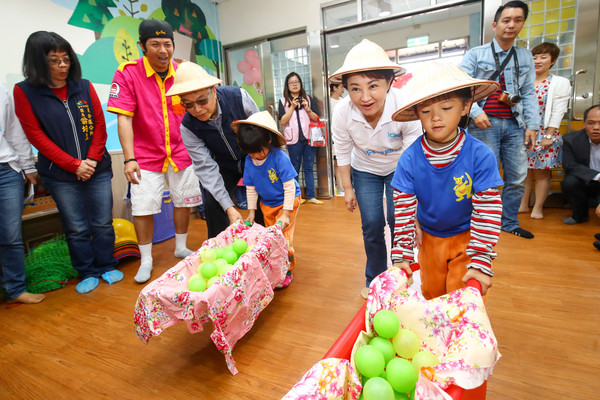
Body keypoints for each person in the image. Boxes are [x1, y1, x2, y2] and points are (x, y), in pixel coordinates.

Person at [14, 31, 121, 294]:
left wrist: (92, 160)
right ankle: (86, 271)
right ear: (38, 62)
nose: (63, 66)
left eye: (66, 59)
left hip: (96, 168)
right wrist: (73, 164)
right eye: (54, 60)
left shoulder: (83, 85)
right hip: (60, 174)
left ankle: (107, 265)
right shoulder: (24, 91)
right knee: (76, 227)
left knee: (103, 222)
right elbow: (36, 136)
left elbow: (98, 124)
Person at [390, 61, 502, 299]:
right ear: (417, 113)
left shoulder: (480, 155)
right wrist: (402, 256)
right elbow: (403, 210)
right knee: (431, 292)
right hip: (429, 239)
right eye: (426, 111)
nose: (436, 118)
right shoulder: (409, 159)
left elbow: (488, 209)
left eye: (447, 107)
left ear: (465, 107)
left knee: (461, 294)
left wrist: (481, 260)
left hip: (467, 236)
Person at [107, 19, 202, 283]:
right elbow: (124, 118)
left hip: (182, 151)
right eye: (155, 44)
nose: (163, 50)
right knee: (143, 207)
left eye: (167, 44)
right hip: (145, 155)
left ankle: (181, 246)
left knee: (184, 200)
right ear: (142, 46)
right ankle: (146, 259)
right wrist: (129, 158)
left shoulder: (183, 71)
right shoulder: (127, 73)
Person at [329, 39, 422, 299]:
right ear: (346, 89)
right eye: (355, 89)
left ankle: (400, 278)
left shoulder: (405, 106)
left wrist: (413, 200)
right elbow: (343, 151)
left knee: (398, 221)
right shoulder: (342, 113)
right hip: (364, 171)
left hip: (399, 170)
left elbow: (414, 154)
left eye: (373, 86)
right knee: (371, 225)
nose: (365, 97)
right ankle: (376, 280)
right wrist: (347, 189)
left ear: (389, 83)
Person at [460, 0, 538, 239]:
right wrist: (475, 112)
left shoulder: (524, 56)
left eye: (517, 20)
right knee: (485, 177)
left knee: (517, 177)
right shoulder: (475, 54)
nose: (511, 25)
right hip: (484, 123)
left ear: (523, 23)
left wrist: (533, 125)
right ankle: (482, 223)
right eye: (506, 20)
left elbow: (528, 93)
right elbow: (462, 88)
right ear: (495, 25)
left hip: (515, 124)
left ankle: (509, 222)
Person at [165, 61, 261, 238]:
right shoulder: (188, 127)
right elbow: (206, 169)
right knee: (213, 202)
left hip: (254, 160)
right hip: (223, 165)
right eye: (188, 104)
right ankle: (221, 252)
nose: (197, 109)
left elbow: (262, 133)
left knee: (264, 197)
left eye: (202, 100)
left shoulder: (238, 97)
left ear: (214, 90)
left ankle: (269, 249)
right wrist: (230, 208)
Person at [233, 111, 301, 288]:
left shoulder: (279, 157)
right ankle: (276, 267)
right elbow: (251, 187)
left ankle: (287, 270)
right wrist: (251, 213)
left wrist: (285, 214)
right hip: (267, 204)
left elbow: (289, 186)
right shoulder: (249, 161)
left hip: (288, 201)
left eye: (259, 151)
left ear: (268, 140)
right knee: (271, 238)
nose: (256, 156)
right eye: (251, 152)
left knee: (284, 238)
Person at [0, 83, 45, 304]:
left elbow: (13, 131)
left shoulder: (1, 89)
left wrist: (28, 166)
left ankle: (16, 289)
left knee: (11, 235)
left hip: (6, 169)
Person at [519, 42, 571, 219]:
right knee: (523, 172)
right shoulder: (523, 82)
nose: (538, 61)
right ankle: (523, 205)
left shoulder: (559, 82)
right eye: (534, 57)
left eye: (543, 57)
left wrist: (549, 135)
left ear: (553, 60)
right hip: (523, 133)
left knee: (542, 172)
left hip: (544, 132)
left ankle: (538, 207)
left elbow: (559, 110)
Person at [279, 72, 323, 205]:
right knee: (295, 167)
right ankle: (297, 197)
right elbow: (282, 121)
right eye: (291, 83)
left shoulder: (308, 99)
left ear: (300, 84)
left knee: (309, 167)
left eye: (296, 82)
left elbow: (316, 119)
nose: (294, 85)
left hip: (309, 138)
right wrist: (291, 107)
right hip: (293, 139)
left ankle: (311, 196)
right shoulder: (283, 101)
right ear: (287, 85)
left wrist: (307, 108)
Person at [560, 104, 600, 225]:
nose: (596, 127)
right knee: (569, 182)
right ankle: (580, 216)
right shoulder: (571, 139)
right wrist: (597, 176)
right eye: (591, 123)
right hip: (586, 180)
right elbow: (569, 165)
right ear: (584, 124)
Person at [329, 82, 345, 196]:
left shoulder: (343, 101)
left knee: (342, 161)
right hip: (333, 135)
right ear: (334, 88)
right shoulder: (328, 102)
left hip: (344, 135)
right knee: (336, 161)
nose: (343, 89)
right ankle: (339, 186)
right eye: (341, 87)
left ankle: (343, 186)